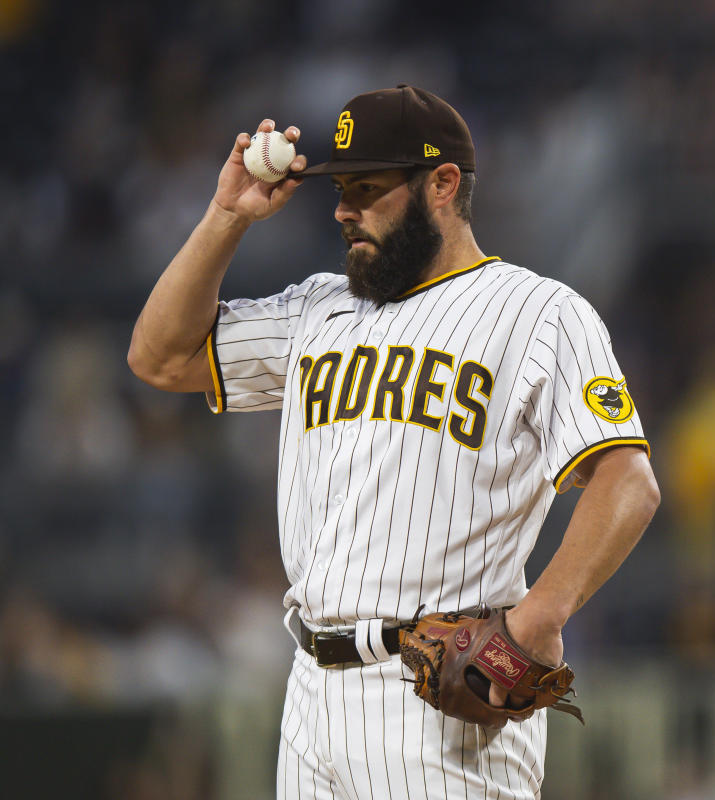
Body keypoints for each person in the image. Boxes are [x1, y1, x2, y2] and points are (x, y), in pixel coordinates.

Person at [128, 85, 660, 800]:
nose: (344, 208)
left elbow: (627, 481)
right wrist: (226, 217)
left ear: (442, 184)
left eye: (368, 188)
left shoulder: (538, 313)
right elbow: (158, 357)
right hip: (309, 688)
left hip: (437, 694)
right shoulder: (318, 308)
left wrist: (540, 615)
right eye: (342, 188)